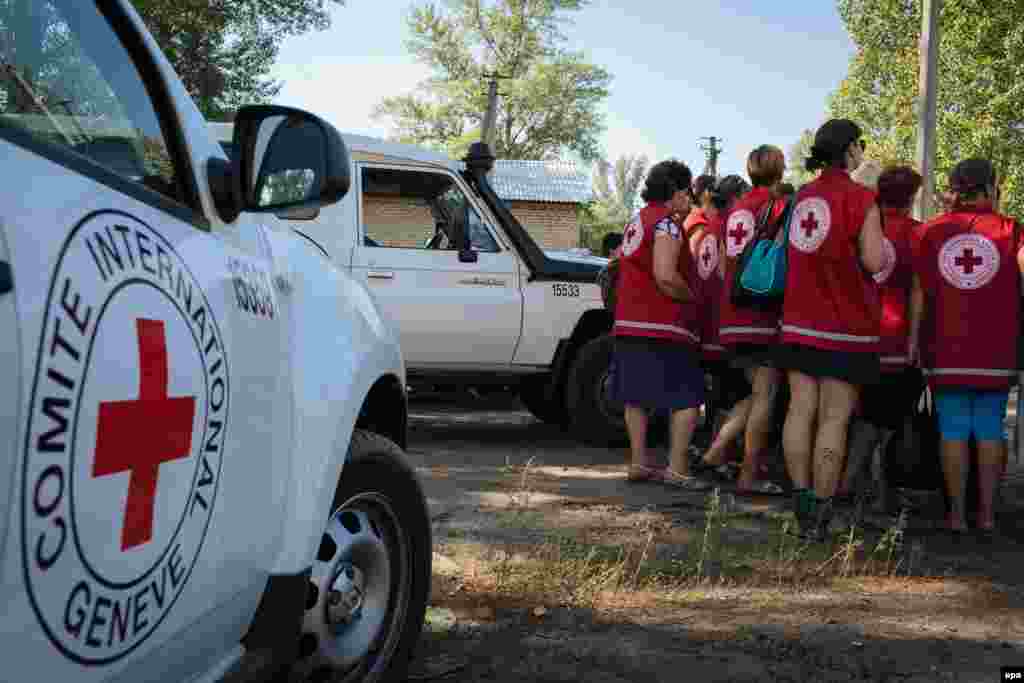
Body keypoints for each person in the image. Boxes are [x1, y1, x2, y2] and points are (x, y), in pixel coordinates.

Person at [776, 119, 886, 540]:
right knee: (834, 419)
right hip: (846, 327)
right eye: (861, 144)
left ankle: (801, 506)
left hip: (799, 322)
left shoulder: (802, 197)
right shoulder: (861, 199)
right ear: (851, 150)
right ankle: (823, 513)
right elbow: (875, 262)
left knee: (799, 411)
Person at [909, 158, 1024, 536]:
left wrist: (913, 339)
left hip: (945, 345)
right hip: (997, 346)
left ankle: (957, 515)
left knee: (953, 428)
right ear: (992, 186)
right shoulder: (1011, 230)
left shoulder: (931, 231)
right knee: (990, 427)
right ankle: (988, 514)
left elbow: (919, 293)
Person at [612, 159, 710, 491]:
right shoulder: (667, 224)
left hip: (628, 322)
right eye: (688, 192)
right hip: (663, 326)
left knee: (635, 397)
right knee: (686, 397)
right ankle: (678, 469)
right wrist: (691, 297)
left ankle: (638, 462)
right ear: (677, 191)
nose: (690, 200)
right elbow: (666, 275)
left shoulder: (636, 221)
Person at [839, 166, 926, 508]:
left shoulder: (863, 226)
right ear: (911, 198)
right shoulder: (919, 234)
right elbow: (918, 293)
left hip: (861, 336)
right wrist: (915, 343)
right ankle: (878, 489)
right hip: (899, 338)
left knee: (866, 417)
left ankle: (851, 482)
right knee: (888, 422)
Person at [717, 146, 790, 497]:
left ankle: (719, 452)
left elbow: (721, 264)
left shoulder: (737, 209)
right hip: (762, 314)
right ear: (780, 170)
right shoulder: (777, 206)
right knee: (766, 395)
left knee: (754, 393)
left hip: (731, 312)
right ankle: (748, 474)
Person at [691, 175, 754, 475]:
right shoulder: (732, 227)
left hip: (704, 326)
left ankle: (717, 453)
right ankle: (718, 454)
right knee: (748, 395)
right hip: (723, 325)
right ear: (736, 197)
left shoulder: (707, 230)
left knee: (723, 396)